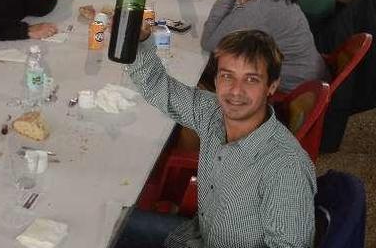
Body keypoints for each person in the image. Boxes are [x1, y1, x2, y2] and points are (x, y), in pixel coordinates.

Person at [115, 29, 315, 248]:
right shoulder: (212, 112)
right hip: (195, 238)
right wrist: (141, 37)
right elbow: (158, 86)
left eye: (251, 79)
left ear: (272, 86)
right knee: (107, 225)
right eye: (227, 76)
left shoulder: (285, 167)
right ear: (217, 79)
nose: (236, 91)